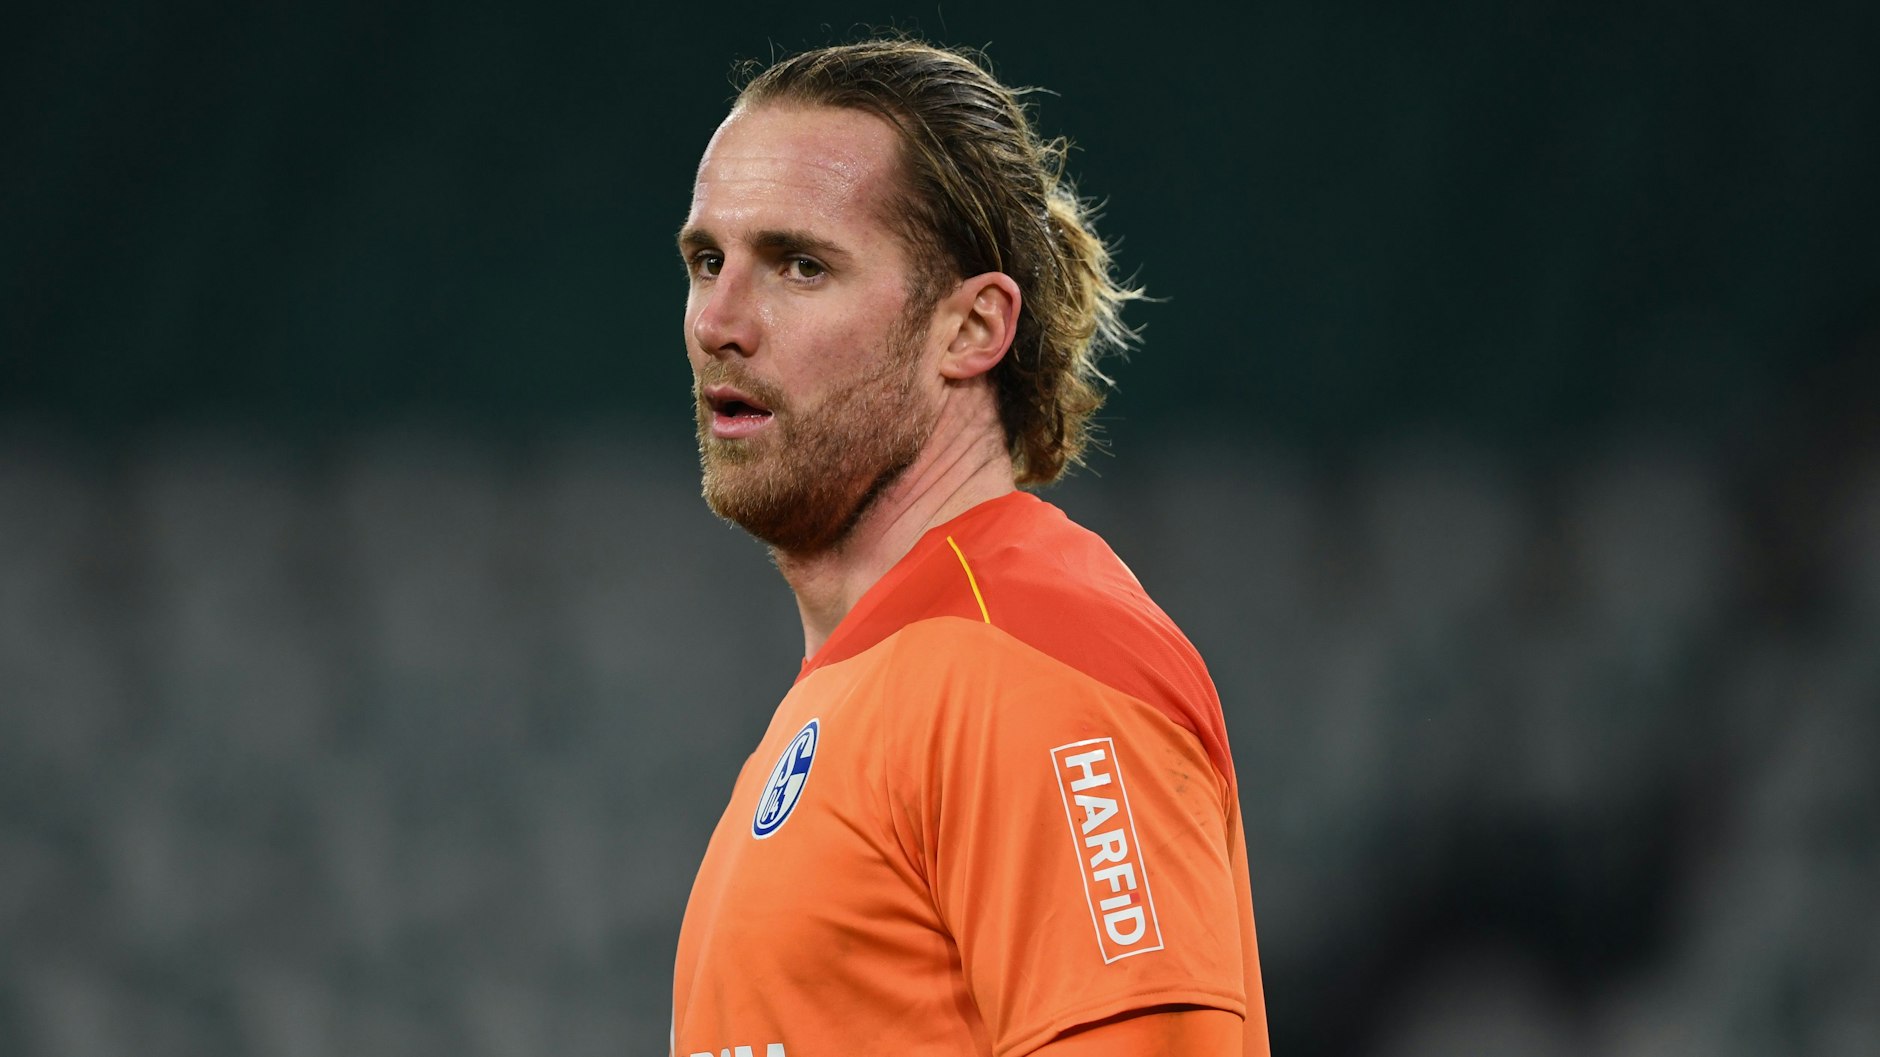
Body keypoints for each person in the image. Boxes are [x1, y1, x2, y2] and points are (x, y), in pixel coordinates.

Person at [670, 38, 1269, 1057]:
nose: (718, 322)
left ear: (971, 327)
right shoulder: (869, 684)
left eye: (801, 265)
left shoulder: (1030, 662)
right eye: (706, 262)